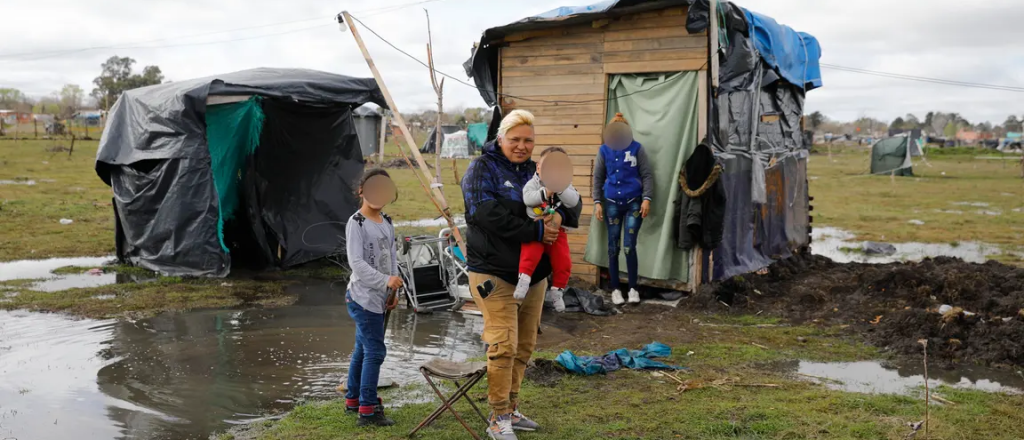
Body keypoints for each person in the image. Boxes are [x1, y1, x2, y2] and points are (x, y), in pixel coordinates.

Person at [462, 109, 581, 440]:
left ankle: (512, 409)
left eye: (528, 140)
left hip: (535, 276)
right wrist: (535, 231)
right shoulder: (481, 170)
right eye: (515, 139)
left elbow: (572, 212)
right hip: (493, 272)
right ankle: (497, 416)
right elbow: (484, 214)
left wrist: (563, 210)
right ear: (500, 138)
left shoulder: (538, 170)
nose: (522, 145)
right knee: (503, 344)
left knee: (525, 346)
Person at [343, 168, 403, 427]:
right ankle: (368, 410)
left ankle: (353, 399)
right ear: (362, 191)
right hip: (362, 297)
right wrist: (383, 281)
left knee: (362, 350)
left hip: (380, 297)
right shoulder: (356, 223)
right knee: (375, 351)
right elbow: (356, 263)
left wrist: (393, 290)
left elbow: (391, 258)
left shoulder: (387, 222)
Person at [592, 112, 654, 305]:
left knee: (629, 246)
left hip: (634, 202)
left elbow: (647, 175)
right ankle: (615, 289)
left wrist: (646, 199)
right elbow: (598, 177)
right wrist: (597, 202)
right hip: (611, 202)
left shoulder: (637, 149)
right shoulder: (604, 151)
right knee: (613, 247)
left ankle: (633, 288)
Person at [517, 146, 581, 312]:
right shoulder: (532, 183)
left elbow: (573, 201)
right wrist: (546, 191)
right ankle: (523, 282)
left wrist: (559, 187)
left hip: (557, 232)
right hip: (535, 227)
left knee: (563, 261)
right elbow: (527, 198)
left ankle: (557, 291)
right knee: (530, 254)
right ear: (539, 166)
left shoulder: (565, 184)